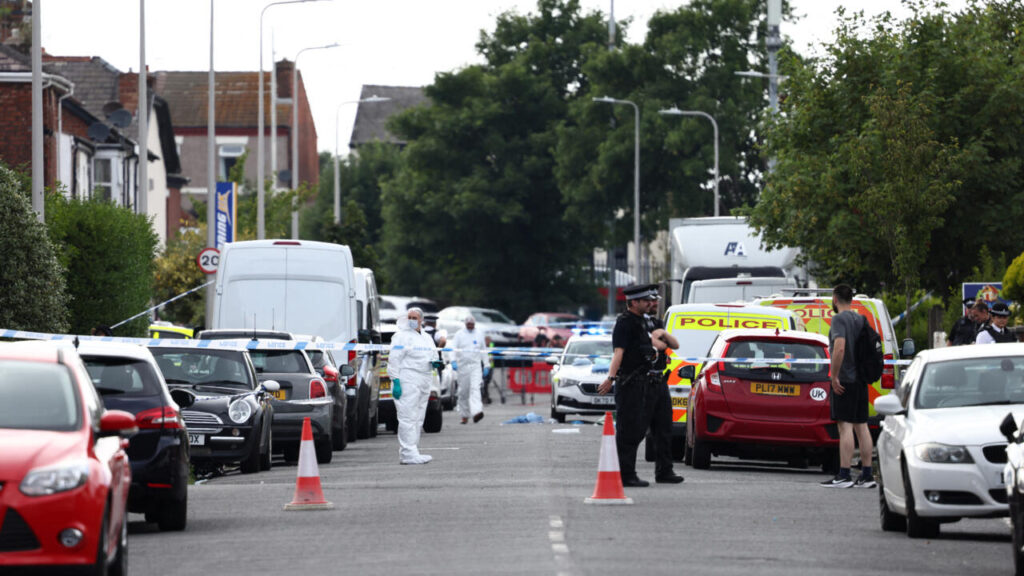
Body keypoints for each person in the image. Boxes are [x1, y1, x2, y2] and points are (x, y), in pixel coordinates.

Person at [598, 283, 684, 487]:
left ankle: (664, 470)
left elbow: (671, 345)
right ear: (633, 302)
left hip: (656, 381)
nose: (651, 303)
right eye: (646, 300)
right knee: (631, 429)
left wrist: (658, 333)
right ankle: (626, 474)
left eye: (652, 300)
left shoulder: (653, 323)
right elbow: (619, 352)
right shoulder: (625, 323)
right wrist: (611, 378)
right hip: (634, 382)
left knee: (663, 428)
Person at [821, 284, 875, 488]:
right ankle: (867, 475)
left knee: (845, 427)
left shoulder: (838, 319)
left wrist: (834, 376)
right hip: (860, 381)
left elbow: (840, 348)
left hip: (845, 380)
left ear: (835, 299)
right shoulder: (860, 319)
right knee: (862, 426)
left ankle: (844, 474)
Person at [386, 307, 436, 465]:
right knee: (407, 416)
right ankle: (407, 453)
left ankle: (413, 450)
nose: (412, 320)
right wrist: (396, 381)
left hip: (424, 378)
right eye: (410, 317)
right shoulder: (401, 336)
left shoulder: (427, 337)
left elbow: (433, 354)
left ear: (422, 320)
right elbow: (394, 359)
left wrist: (436, 363)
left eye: (415, 318)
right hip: (408, 378)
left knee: (418, 417)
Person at [452, 315, 488, 424]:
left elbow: (483, 350)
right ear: (465, 324)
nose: (471, 326)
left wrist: (486, 365)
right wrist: (453, 360)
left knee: (475, 389)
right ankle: (464, 415)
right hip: (463, 367)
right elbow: (453, 349)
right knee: (463, 392)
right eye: (469, 324)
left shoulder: (479, 334)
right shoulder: (459, 334)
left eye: (472, 324)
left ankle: (477, 412)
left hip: (475, 366)